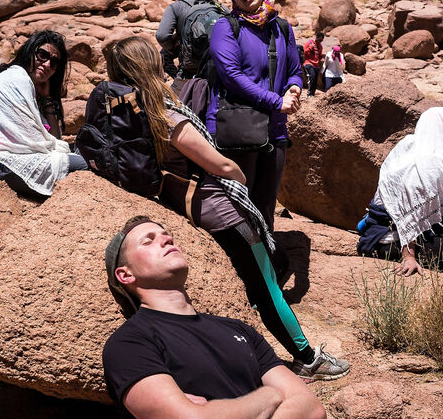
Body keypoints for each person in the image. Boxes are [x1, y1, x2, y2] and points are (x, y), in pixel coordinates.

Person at [105, 36, 349, 381]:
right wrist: (237, 176)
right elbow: (218, 164)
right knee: (267, 288)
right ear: (150, 65)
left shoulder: (130, 111)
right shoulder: (165, 113)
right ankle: (307, 358)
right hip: (220, 212)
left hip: (183, 205)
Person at [103, 215, 328, 419]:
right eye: (148, 241)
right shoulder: (129, 344)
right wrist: (269, 396)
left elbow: (311, 408)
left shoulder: (240, 330)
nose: (166, 240)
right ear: (125, 274)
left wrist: (210, 410)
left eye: (167, 236)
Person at [206, 0, 303, 233]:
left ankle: (266, 269)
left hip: (275, 129)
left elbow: (295, 71)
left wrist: (293, 91)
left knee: (265, 206)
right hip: (236, 128)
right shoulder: (226, 27)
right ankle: (238, 270)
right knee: (237, 207)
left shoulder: (282, 27)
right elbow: (232, 77)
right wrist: (276, 100)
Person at [0, 30, 87, 198]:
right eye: (43, 55)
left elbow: (52, 140)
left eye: (54, 62)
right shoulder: (18, 80)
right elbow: (41, 144)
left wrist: (47, 100)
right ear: (30, 51)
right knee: (82, 163)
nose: (47, 64)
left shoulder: (28, 87)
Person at [357, 107, 443, 276]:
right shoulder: (422, 161)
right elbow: (408, 212)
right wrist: (408, 257)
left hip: (414, 232)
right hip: (390, 239)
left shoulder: (422, 151)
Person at [156, 0, 221, 93]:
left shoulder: (177, 7)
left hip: (187, 76)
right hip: (218, 76)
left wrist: (178, 45)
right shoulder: (223, 9)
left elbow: (162, 37)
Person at [303, 32, 324, 97]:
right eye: (319, 40)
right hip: (308, 63)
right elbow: (304, 52)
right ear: (316, 37)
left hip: (316, 65)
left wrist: (322, 57)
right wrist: (310, 47)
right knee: (312, 76)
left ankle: (312, 93)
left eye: (321, 40)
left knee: (315, 79)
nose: (319, 41)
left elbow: (319, 56)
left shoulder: (320, 46)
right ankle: (309, 93)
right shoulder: (309, 43)